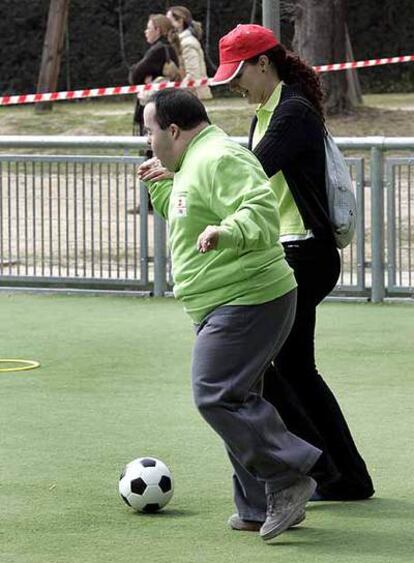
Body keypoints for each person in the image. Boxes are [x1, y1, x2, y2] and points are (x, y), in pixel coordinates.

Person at [138, 88, 322, 541]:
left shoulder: (220, 156)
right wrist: (161, 185)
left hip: (249, 297)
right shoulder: (191, 163)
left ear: (174, 130)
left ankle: (288, 476)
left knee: (214, 394)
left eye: (149, 131)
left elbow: (260, 210)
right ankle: (258, 507)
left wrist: (228, 229)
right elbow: (184, 216)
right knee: (234, 398)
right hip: (227, 300)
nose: (148, 141)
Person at [210, 24, 374, 505]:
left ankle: (327, 471)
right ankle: (342, 475)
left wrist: (184, 173)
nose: (233, 83)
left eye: (238, 72)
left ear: (265, 63)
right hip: (291, 254)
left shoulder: (293, 112)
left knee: (277, 368)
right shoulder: (267, 112)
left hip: (306, 254)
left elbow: (253, 176)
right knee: (293, 369)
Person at [128, 14, 184, 136]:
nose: (145, 31)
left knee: (150, 145)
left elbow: (134, 76)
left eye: (148, 28)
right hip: (167, 104)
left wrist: (142, 77)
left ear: (157, 30)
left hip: (153, 106)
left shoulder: (157, 50)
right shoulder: (171, 47)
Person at [166, 6, 212, 100]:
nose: (167, 25)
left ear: (180, 21)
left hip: (195, 96)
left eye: (169, 21)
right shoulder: (180, 43)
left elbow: (193, 75)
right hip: (188, 96)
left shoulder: (188, 43)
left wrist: (175, 92)